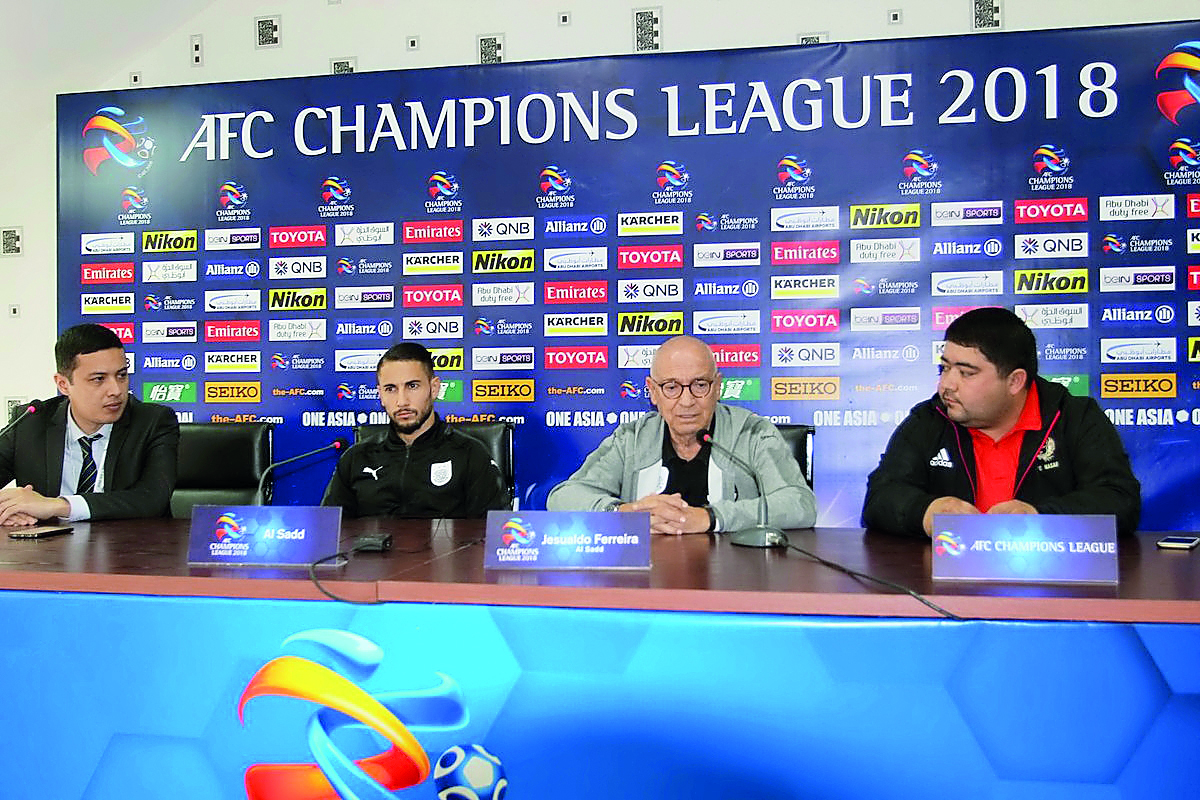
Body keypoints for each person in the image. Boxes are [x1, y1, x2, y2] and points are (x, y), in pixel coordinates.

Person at [862, 306, 1141, 537]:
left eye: (966, 373)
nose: (946, 384)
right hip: (948, 585)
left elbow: (1119, 500)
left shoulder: (1074, 417)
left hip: (1053, 583)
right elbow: (880, 498)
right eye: (944, 368)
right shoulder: (930, 419)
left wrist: (1039, 517)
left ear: (1015, 381)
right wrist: (927, 511)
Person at [547, 335, 816, 534]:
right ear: (652, 391)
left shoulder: (752, 432)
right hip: (648, 586)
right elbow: (562, 498)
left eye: (700, 385)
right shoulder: (632, 438)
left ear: (718, 387)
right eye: (672, 387)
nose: (687, 401)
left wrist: (711, 518)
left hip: (736, 581)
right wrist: (625, 514)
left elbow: (800, 504)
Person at [0, 323, 180, 525]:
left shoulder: (153, 422)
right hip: (47, 553)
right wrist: (11, 509)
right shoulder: (30, 423)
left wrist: (58, 505)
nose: (116, 390)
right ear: (63, 384)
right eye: (99, 379)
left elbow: (152, 499)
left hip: (130, 550)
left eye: (121, 375)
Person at [322, 342, 508, 518]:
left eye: (412, 386)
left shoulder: (470, 455)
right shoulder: (355, 458)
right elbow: (328, 532)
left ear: (434, 388)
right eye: (391, 389)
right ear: (380, 396)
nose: (402, 401)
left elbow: (494, 536)